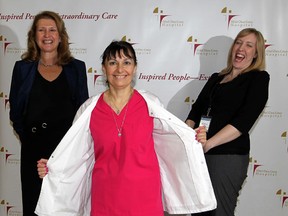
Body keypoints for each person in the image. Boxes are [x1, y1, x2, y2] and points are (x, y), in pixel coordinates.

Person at [35, 40, 217, 216]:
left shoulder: (150, 104)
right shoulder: (89, 109)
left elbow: (173, 140)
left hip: (145, 199)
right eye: (113, 63)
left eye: (127, 62)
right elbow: (75, 154)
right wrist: (53, 166)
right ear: (104, 69)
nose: (120, 69)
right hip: (105, 199)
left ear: (135, 68)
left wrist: (194, 138)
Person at [9, 11, 89, 216]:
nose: (47, 34)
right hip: (33, 154)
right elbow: (16, 113)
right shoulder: (22, 68)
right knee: (34, 206)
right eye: (41, 30)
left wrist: (69, 152)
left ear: (60, 36)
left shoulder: (77, 69)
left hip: (66, 155)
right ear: (34, 36)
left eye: (52, 30)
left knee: (65, 208)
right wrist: (29, 142)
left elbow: (83, 114)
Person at [185, 28, 270, 216]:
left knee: (219, 212)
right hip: (199, 154)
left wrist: (210, 144)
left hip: (226, 157)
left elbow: (244, 121)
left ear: (256, 53)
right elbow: (196, 110)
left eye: (249, 45)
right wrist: (186, 136)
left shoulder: (258, 78)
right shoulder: (217, 78)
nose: (241, 48)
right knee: (199, 212)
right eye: (239, 42)